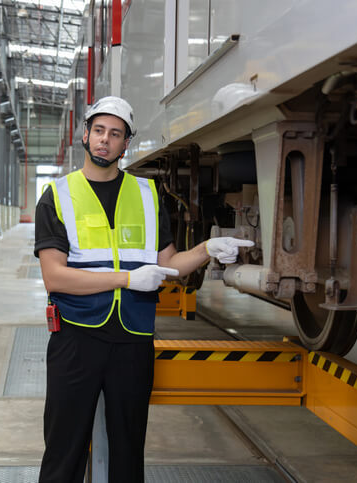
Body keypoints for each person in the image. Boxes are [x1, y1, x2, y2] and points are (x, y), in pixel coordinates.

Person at [34, 96, 253, 482]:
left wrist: (206, 249)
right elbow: (55, 277)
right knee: (63, 451)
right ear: (85, 135)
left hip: (133, 339)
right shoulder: (57, 196)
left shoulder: (148, 197)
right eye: (98, 131)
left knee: (129, 451)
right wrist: (127, 279)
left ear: (126, 144)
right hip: (75, 337)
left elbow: (168, 266)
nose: (104, 140)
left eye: (115, 134)